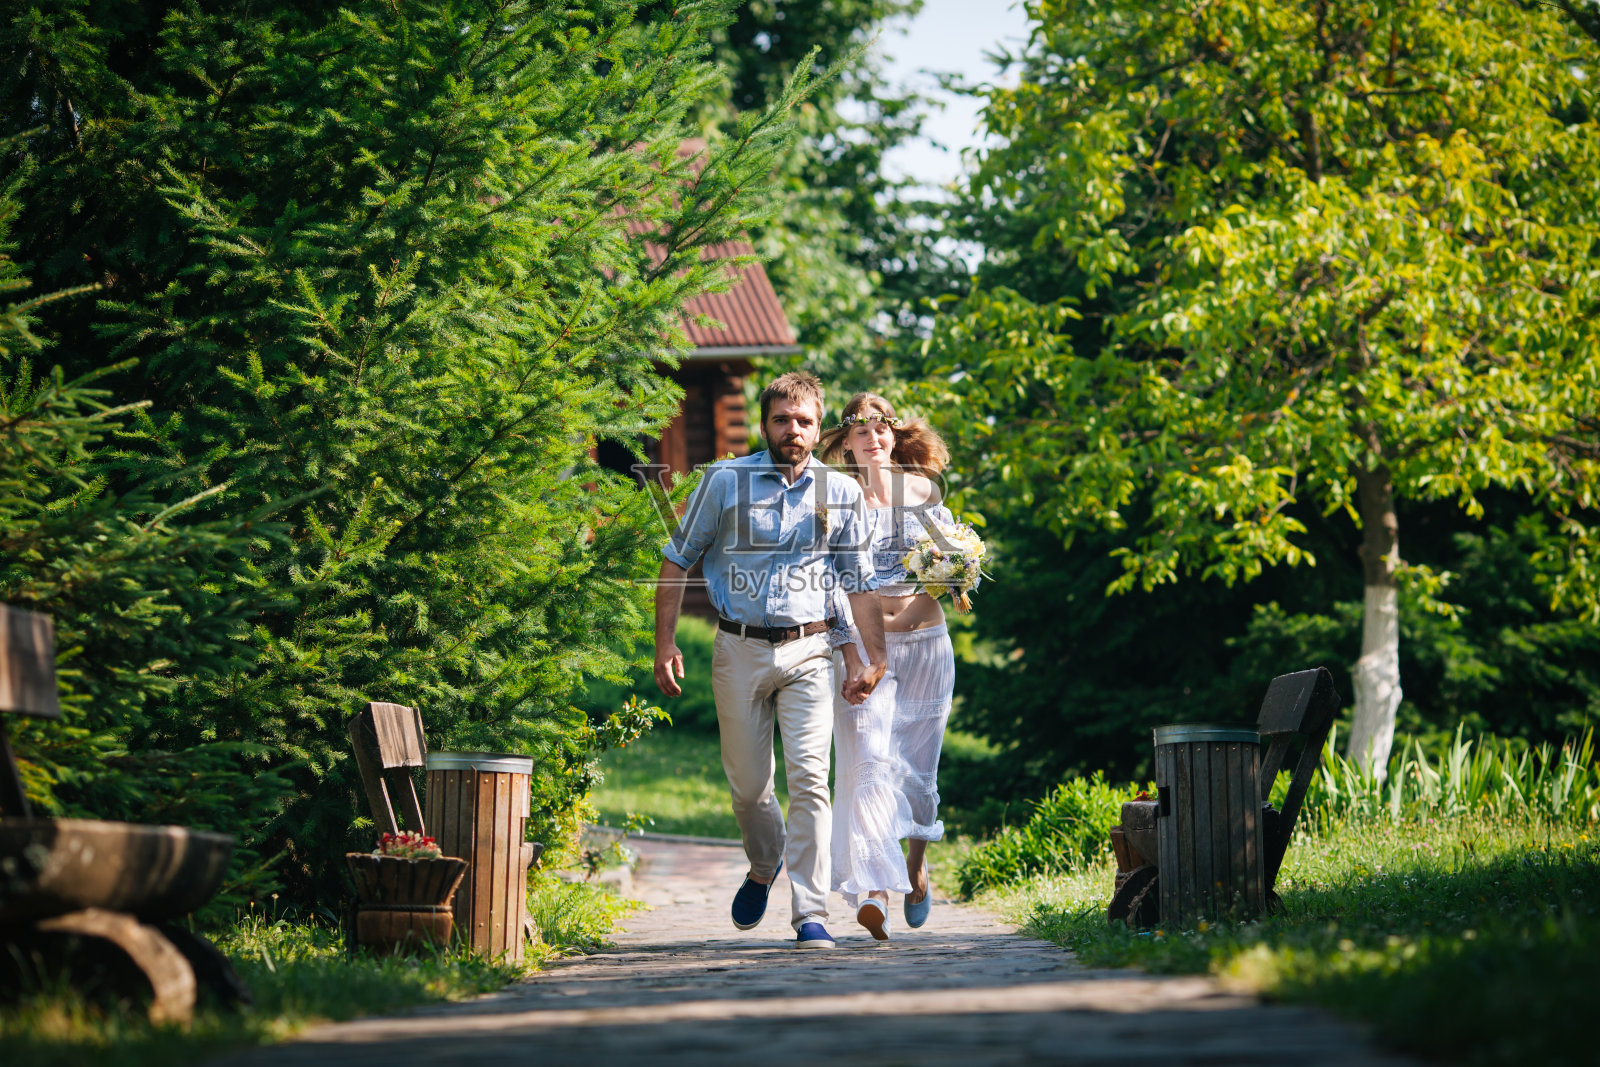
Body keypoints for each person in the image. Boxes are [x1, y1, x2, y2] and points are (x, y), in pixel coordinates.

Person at [653, 372, 888, 949]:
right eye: (782, 419)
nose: (793, 430)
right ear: (765, 424)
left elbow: (859, 581)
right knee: (750, 788)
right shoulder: (725, 480)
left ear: (818, 427)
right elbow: (677, 558)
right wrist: (665, 644)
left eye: (804, 420)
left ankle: (811, 913)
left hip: (810, 650)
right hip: (738, 648)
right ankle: (765, 865)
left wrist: (872, 658)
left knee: (811, 782)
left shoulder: (842, 492)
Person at [817, 392, 960, 941]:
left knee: (919, 773)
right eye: (861, 430)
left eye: (882, 428)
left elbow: (953, 571)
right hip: (863, 651)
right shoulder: (835, 501)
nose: (873, 438)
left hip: (926, 644)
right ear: (847, 442)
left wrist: (908, 619)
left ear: (893, 435)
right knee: (871, 764)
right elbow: (830, 580)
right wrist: (858, 642)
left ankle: (916, 869)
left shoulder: (923, 492)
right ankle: (876, 888)